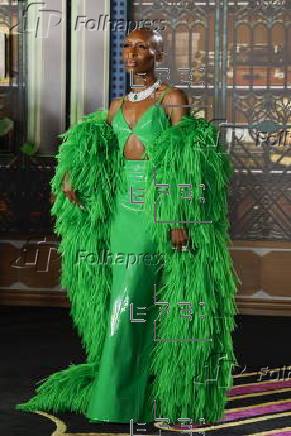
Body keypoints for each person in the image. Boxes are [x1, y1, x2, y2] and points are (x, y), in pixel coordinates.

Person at [16, 28, 238, 426]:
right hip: (120, 207)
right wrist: (70, 173)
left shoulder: (173, 98)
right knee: (127, 297)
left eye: (142, 46)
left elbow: (185, 159)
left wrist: (178, 215)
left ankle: (117, 397)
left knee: (134, 298)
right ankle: (133, 391)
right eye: (127, 46)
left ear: (158, 52)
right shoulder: (117, 105)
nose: (132, 53)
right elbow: (91, 144)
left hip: (154, 206)